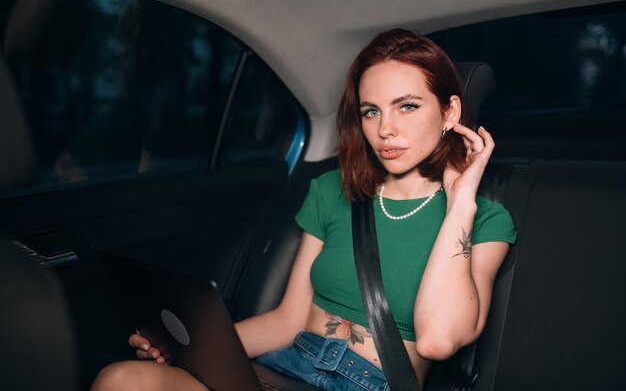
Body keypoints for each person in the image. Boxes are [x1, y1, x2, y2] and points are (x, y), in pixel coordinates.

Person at [90, 28, 516, 391]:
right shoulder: (333, 190)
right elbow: (288, 318)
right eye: (371, 111)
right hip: (286, 366)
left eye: (407, 106)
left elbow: (438, 341)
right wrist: (191, 348)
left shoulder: (485, 220)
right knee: (123, 379)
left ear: (449, 111)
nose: (385, 129)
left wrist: (460, 201)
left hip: (368, 381)